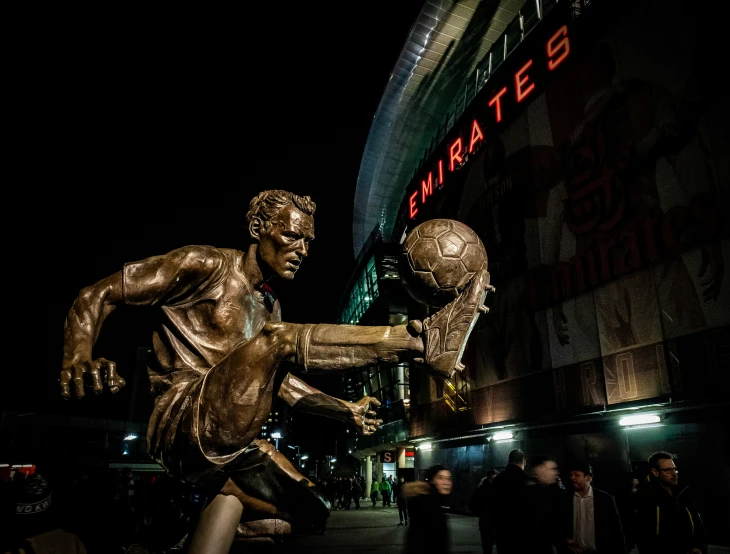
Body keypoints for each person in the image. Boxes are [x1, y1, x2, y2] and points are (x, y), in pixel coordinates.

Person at [59, 189, 492, 546]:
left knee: (309, 510)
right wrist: (77, 357)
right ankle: (418, 340)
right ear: (257, 230)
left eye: (308, 243)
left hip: (230, 438)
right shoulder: (205, 265)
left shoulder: (270, 306)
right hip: (181, 418)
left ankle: (189, 539)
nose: (302, 251)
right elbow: (95, 296)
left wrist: (345, 410)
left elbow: (282, 385)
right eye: (291, 236)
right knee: (278, 339)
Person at [633, 452, 707, 554]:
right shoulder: (646, 497)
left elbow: (697, 522)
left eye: (675, 469)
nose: (674, 473)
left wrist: (699, 546)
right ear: (655, 472)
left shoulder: (683, 493)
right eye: (668, 470)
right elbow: (644, 536)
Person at [561, 460, 626, 554]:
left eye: (576, 475)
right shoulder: (565, 499)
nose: (572, 478)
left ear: (588, 478)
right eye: (571, 475)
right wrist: (565, 540)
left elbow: (616, 530)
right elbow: (559, 526)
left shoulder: (605, 499)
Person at [487, 449, 535, 554]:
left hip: (502, 534)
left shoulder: (497, 480)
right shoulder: (528, 482)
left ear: (509, 461)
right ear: (524, 462)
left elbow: (491, 507)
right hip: (524, 536)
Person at [404, 465, 453, 554]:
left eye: (449, 478)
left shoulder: (436, 502)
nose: (446, 482)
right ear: (431, 480)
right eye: (440, 478)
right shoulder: (426, 505)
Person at [526, 454, 566, 554]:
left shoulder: (554, 492)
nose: (556, 473)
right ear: (539, 469)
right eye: (552, 469)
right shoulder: (528, 495)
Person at [468, 468, 498, 554]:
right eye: (492, 479)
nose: (493, 481)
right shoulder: (482, 490)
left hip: (487, 524)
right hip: (490, 524)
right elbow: (472, 505)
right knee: (488, 548)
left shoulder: (481, 489)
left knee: (487, 548)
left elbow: (471, 505)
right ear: (488, 478)